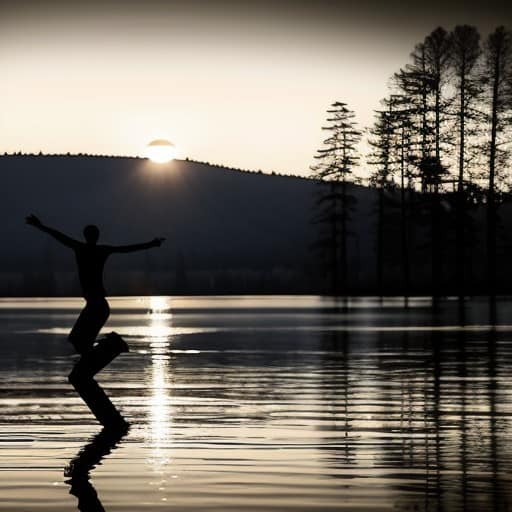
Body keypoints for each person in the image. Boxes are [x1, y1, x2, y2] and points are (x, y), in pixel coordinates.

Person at [26, 214, 165, 427]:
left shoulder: (81, 248)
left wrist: (39, 225)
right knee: (78, 340)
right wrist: (151, 244)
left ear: (86, 236)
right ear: (96, 236)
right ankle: (89, 362)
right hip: (98, 306)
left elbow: (58, 235)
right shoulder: (99, 250)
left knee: (78, 340)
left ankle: (90, 362)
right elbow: (126, 249)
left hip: (97, 306)